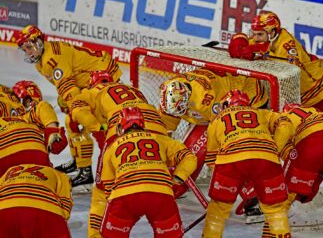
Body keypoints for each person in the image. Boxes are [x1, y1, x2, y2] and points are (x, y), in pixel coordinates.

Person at [14, 25, 122, 187]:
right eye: (25, 49)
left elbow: (71, 92)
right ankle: (79, 161)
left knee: (75, 121)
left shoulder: (52, 58)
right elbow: (66, 83)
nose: (28, 52)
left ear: (40, 42)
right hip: (90, 79)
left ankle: (86, 170)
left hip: (103, 76)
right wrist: (65, 100)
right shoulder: (41, 61)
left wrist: (78, 112)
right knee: (73, 116)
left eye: (30, 47)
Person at [159, 68, 269, 223]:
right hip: (213, 109)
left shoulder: (207, 99)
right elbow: (166, 126)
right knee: (185, 159)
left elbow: (223, 134)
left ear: (187, 99)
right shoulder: (169, 90)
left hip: (247, 95)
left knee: (226, 157)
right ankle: (179, 185)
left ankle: (256, 196)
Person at [70, 70, 168, 237]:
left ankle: (96, 235)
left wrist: (97, 127)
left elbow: (78, 112)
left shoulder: (92, 91)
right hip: (158, 128)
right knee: (157, 179)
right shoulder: (133, 89)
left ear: (93, 83)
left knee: (101, 191)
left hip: (122, 125)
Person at [202, 90, 292, 238]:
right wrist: (275, 147)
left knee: (217, 212)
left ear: (227, 104)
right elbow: (286, 123)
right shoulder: (262, 113)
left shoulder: (217, 120)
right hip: (266, 159)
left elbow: (211, 159)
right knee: (276, 211)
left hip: (230, 162)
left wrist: (235, 182)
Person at [228, 11, 323, 122]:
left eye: (259, 34)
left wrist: (260, 51)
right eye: (253, 34)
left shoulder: (287, 45)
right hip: (298, 100)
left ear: (272, 32)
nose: (255, 38)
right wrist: (239, 39)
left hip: (320, 92)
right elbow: (240, 45)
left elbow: (291, 71)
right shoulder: (262, 40)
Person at [99, 107, 197, 238]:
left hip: (124, 196)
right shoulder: (160, 138)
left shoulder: (112, 147)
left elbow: (108, 185)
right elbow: (190, 157)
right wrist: (177, 179)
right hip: (160, 193)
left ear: (121, 126)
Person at [0, 113, 72, 238]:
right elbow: (65, 210)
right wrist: (52, 129)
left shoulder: (7, 174)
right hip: (45, 211)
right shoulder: (59, 175)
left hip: (5, 209)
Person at [12, 80, 68, 155]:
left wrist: (53, 133)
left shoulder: (34, 112)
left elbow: (42, 107)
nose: (17, 105)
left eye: (25, 101)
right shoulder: (34, 112)